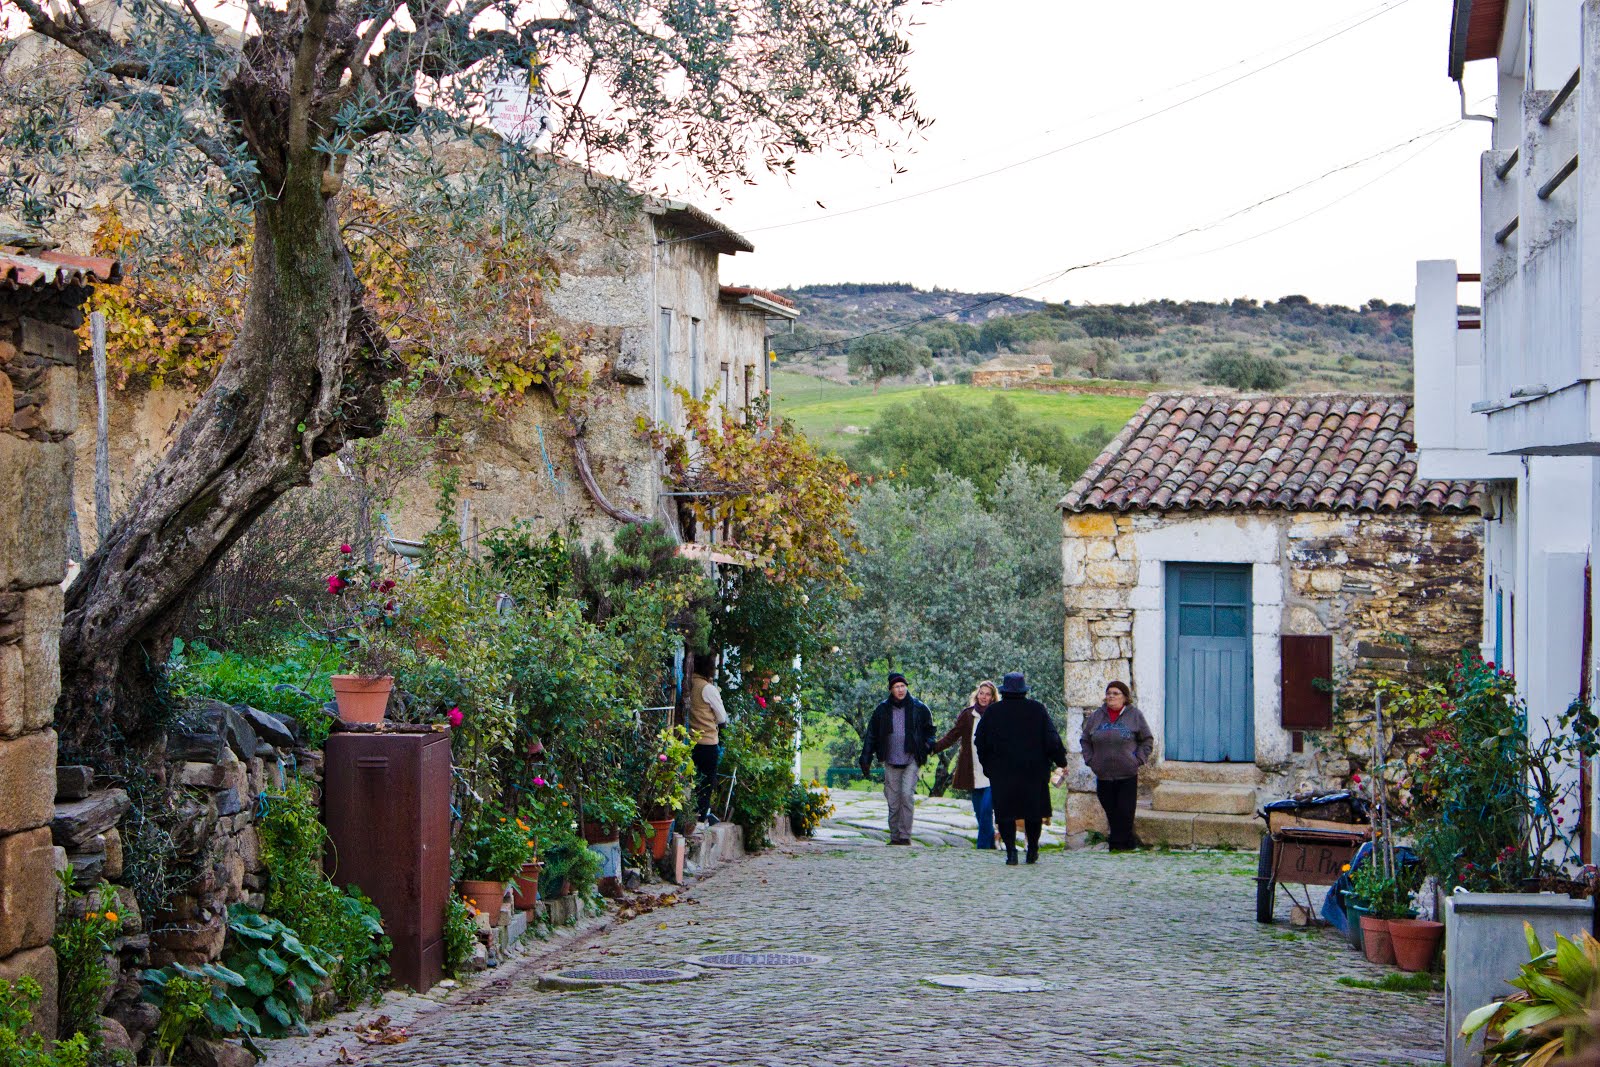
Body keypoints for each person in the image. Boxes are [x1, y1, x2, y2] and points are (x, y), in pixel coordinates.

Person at [973, 672, 1067, 865]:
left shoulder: (993, 712)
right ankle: (1032, 849)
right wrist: (1060, 760)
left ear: (1004, 691)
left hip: (1003, 773)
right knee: (1033, 813)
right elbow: (1051, 740)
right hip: (1034, 772)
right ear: (1024, 690)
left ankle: (1011, 853)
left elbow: (980, 742)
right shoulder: (1037, 710)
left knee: (1005, 814)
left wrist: (988, 767)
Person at [858, 672, 935, 845]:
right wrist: (866, 758)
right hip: (890, 759)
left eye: (902, 686)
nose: (900, 690)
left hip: (911, 759)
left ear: (906, 687)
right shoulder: (882, 709)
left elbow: (930, 731)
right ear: (891, 690)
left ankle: (905, 835)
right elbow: (872, 735)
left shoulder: (919, 708)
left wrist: (927, 746)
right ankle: (895, 837)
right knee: (893, 800)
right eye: (896, 687)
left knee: (907, 795)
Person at [1079, 680, 1153, 852]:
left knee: (1125, 811)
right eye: (1109, 693)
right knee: (1111, 808)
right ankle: (1127, 842)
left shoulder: (1135, 715)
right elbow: (1085, 740)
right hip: (1103, 773)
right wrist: (1091, 760)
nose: (1111, 696)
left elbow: (1147, 739)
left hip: (1127, 772)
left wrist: (1138, 759)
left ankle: (1117, 845)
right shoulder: (1097, 716)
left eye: (1115, 693)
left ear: (1125, 698)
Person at [930, 680, 1000, 850]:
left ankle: (982, 847)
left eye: (987, 694)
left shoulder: (998, 715)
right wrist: (933, 747)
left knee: (985, 811)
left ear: (992, 698)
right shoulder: (968, 715)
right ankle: (990, 843)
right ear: (977, 695)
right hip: (973, 770)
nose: (984, 697)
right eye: (981, 693)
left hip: (994, 772)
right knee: (979, 813)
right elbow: (953, 735)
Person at [686, 652, 728, 824]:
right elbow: (722, 717)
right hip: (708, 742)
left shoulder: (689, 684)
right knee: (706, 784)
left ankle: (689, 817)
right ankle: (701, 818)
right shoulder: (708, 688)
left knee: (691, 781)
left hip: (690, 741)